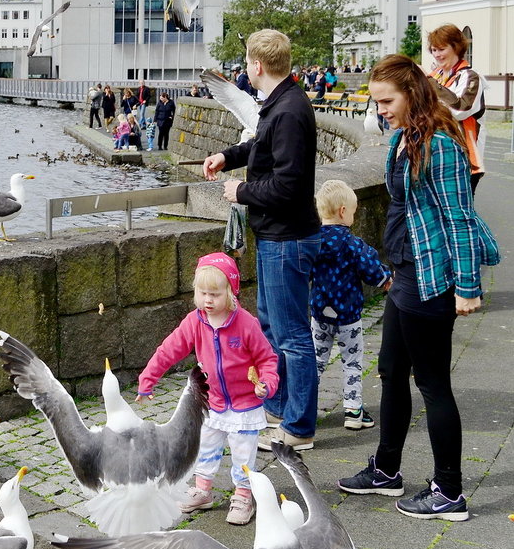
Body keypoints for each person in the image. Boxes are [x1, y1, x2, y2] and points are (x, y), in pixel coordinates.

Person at [338, 54, 500, 521]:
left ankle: (449, 492)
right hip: (406, 271)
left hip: (430, 276)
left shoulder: (442, 144)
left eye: (387, 100)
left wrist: (467, 287)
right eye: (377, 102)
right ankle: (387, 470)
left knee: (432, 384)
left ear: (413, 92)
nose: (381, 109)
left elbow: (460, 218)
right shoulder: (408, 135)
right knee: (390, 369)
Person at [202, 28, 320, 451]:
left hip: (287, 238)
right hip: (276, 236)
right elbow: (260, 145)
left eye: (246, 65)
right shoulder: (280, 103)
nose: (245, 71)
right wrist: (228, 156)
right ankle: (284, 408)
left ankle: (299, 428)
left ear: (256, 66)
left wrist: (241, 192)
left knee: (292, 336)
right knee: (273, 327)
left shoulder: (288, 110)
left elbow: (288, 184)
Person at [137, 253, 279, 525]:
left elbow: (267, 359)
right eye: (202, 293)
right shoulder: (196, 321)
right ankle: (203, 490)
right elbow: (169, 350)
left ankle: (243, 494)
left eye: (214, 294)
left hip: (245, 404)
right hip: (212, 401)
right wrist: (148, 378)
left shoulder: (246, 323)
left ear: (231, 292)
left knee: (242, 452)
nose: (207, 300)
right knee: (205, 446)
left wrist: (268, 383)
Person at [310, 180, 392, 432]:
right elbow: (371, 271)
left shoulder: (312, 242)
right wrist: (386, 278)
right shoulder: (353, 244)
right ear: (344, 211)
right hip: (348, 316)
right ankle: (354, 411)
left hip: (320, 313)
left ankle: (305, 409)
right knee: (352, 361)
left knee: (315, 360)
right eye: (354, 212)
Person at [427, 23, 487, 194]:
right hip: (436, 153)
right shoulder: (436, 76)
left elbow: (461, 109)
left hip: (464, 157)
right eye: (434, 50)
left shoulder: (470, 76)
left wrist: (430, 85)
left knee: (461, 213)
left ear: (456, 47)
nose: (437, 54)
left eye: (441, 49)